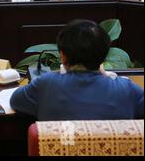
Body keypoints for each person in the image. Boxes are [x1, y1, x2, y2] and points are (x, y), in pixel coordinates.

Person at [10, 19, 144, 121]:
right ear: (104, 56)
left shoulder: (46, 84)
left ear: (62, 56)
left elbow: (15, 101)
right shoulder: (126, 88)